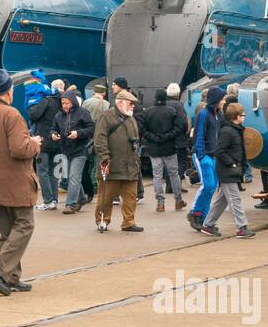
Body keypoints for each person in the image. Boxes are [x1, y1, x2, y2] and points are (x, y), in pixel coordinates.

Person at [0, 69, 43, 295]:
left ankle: (10, 277)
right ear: (8, 92)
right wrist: (35, 142)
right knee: (25, 225)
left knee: (7, 231)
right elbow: (20, 149)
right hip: (15, 182)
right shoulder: (12, 114)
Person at [200, 102, 255, 238]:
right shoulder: (228, 131)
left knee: (222, 200)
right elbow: (219, 151)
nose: (245, 117)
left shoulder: (234, 129)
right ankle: (241, 227)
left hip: (230, 171)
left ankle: (208, 225)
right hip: (227, 171)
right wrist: (232, 164)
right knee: (235, 199)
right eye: (243, 115)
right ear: (236, 117)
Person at [93, 88, 142, 232]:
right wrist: (104, 158)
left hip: (130, 166)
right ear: (120, 103)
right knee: (105, 197)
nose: (133, 106)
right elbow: (99, 139)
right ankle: (102, 221)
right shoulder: (106, 116)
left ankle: (129, 222)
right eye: (130, 103)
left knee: (131, 197)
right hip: (111, 164)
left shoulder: (131, 118)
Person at [140, 88, 187, 213]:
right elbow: (179, 127)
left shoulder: (148, 112)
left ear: (155, 98)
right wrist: (167, 136)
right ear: (165, 97)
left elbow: (142, 130)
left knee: (157, 175)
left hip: (154, 148)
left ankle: (160, 202)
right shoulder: (172, 111)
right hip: (169, 147)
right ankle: (178, 200)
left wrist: (153, 137)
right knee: (174, 174)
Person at [187, 86, 225, 231]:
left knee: (212, 186)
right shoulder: (203, 114)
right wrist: (202, 156)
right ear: (216, 100)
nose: (223, 101)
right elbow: (199, 135)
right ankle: (195, 213)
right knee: (208, 185)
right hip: (203, 155)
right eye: (222, 99)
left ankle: (203, 216)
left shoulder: (218, 115)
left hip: (213, 155)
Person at [54, 88, 95, 214]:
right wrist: (54, 134)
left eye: (67, 103)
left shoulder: (83, 112)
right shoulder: (58, 115)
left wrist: (78, 133)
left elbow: (91, 128)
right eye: (63, 103)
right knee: (74, 177)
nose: (65, 105)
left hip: (80, 150)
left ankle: (70, 204)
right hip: (66, 150)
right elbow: (53, 128)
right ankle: (81, 198)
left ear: (73, 102)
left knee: (73, 176)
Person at [29, 78, 65, 210]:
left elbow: (34, 115)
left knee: (42, 172)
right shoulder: (64, 102)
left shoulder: (46, 101)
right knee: (54, 172)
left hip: (43, 141)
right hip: (58, 141)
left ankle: (48, 200)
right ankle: (54, 200)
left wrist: (32, 103)